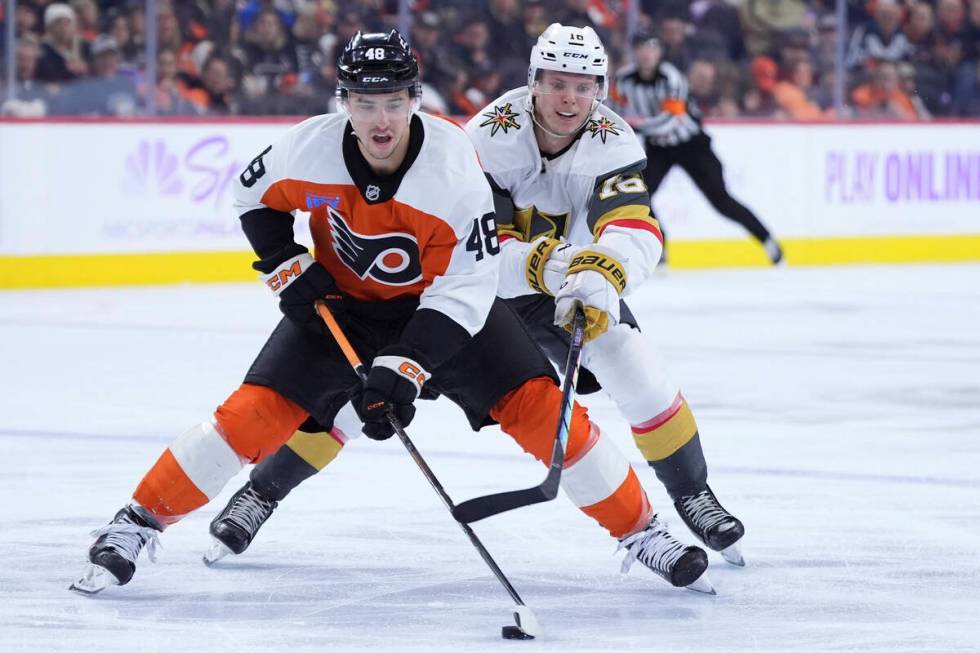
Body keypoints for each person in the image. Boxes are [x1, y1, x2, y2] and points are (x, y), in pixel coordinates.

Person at [72, 29, 712, 597]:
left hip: (451, 313)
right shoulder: (309, 148)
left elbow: (467, 286)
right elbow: (250, 195)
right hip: (342, 309)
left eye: (393, 103)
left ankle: (641, 531)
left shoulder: (453, 166)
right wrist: (285, 263)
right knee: (251, 416)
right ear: (343, 102)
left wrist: (403, 370)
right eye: (365, 103)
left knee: (550, 413)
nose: (380, 120)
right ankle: (136, 522)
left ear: (415, 99)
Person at [616, 33, 783, 265]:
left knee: (721, 200)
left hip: (692, 145)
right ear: (634, 51)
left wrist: (636, 126)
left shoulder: (671, 78)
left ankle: (768, 241)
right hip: (659, 147)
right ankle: (660, 247)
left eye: (650, 48)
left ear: (659, 52)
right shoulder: (624, 79)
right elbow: (614, 110)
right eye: (640, 48)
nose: (645, 53)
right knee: (638, 195)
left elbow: (671, 121)